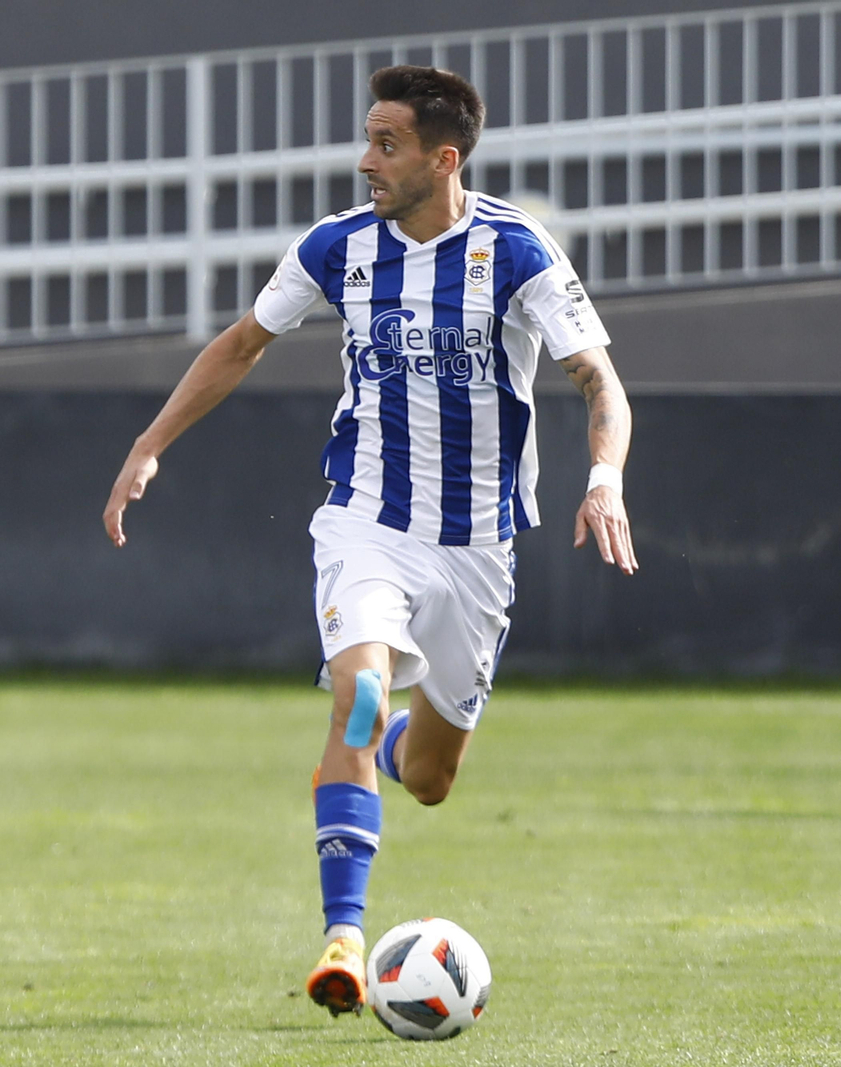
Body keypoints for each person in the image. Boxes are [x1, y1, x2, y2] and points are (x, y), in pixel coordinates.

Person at [103, 66, 637, 1018]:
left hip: (477, 549)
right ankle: (343, 938)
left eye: (386, 144)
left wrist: (605, 478)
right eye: (366, 138)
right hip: (367, 526)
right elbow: (239, 344)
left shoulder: (516, 252)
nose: (365, 160)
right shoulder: (336, 247)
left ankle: (384, 742)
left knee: (429, 778)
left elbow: (599, 381)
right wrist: (148, 445)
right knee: (355, 693)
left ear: (445, 157)